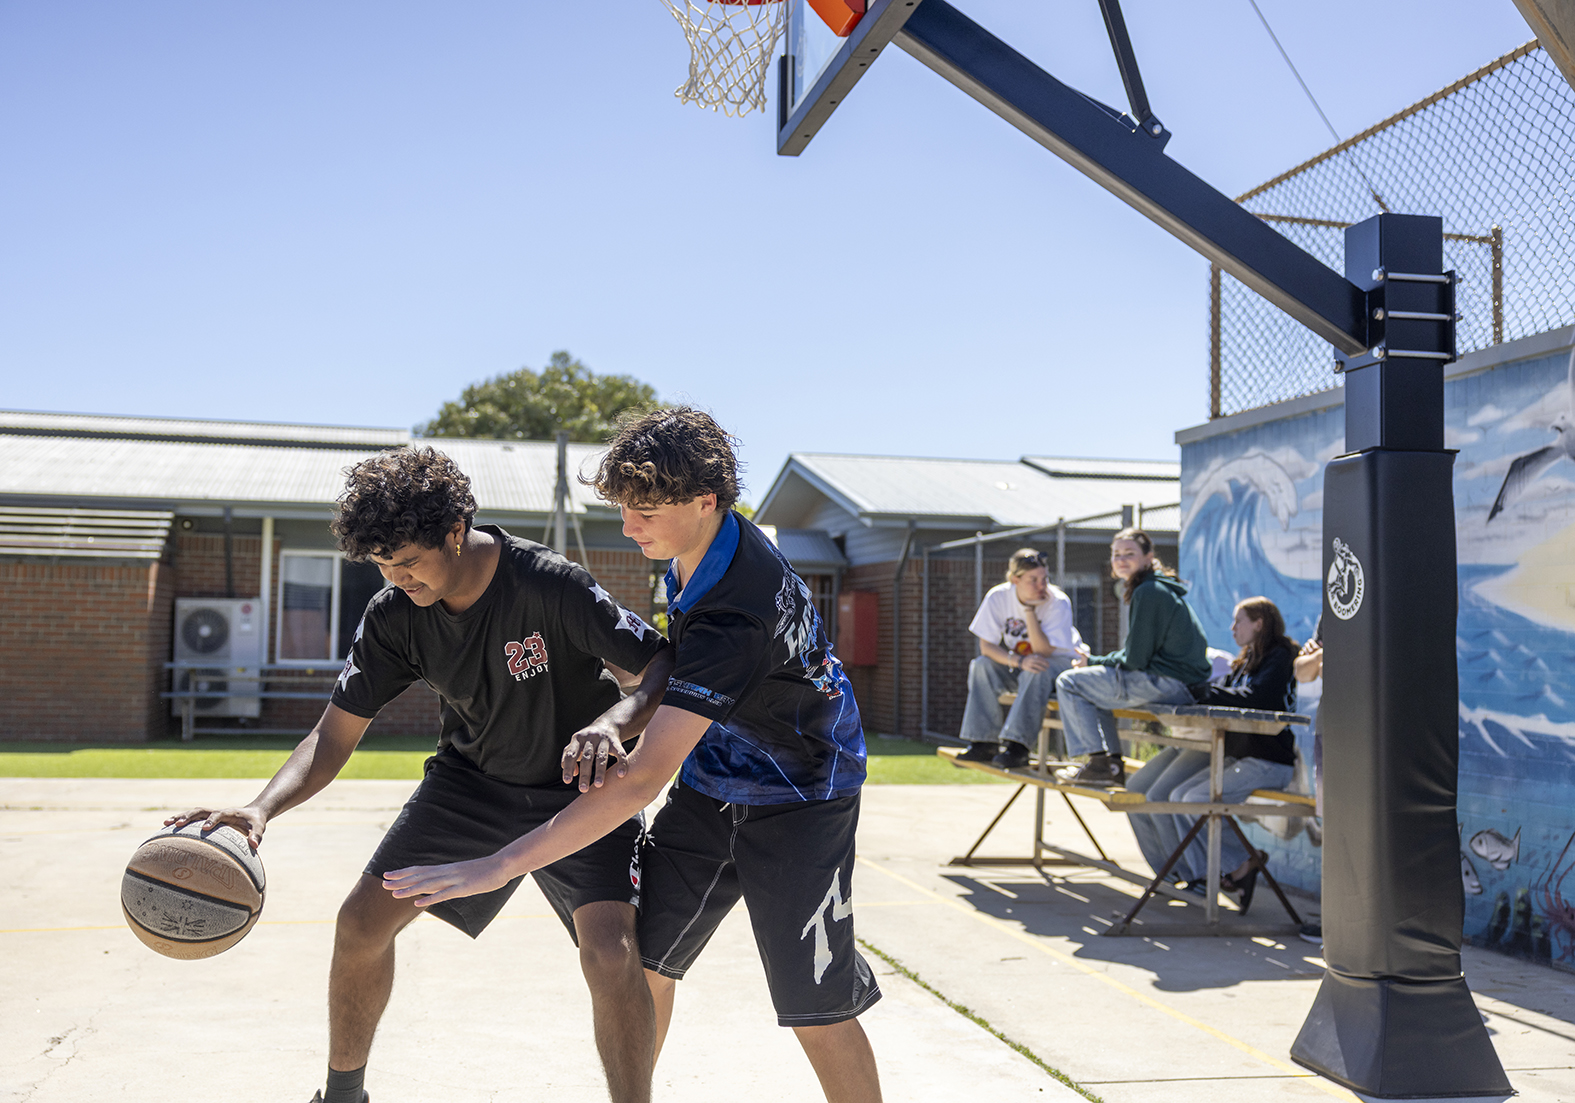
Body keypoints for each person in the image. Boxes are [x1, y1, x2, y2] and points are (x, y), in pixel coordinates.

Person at [382, 407, 883, 1103]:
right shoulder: (702, 550)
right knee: (645, 965)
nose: (627, 526)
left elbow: (643, 778)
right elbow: (668, 686)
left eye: (644, 509)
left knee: (815, 1004)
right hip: (715, 785)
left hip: (803, 795)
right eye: (623, 507)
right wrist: (616, 719)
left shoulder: (736, 611)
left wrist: (498, 863)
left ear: (704, 498)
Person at [166, 447, 673, 1103]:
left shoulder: (550, 584)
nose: (398, 576)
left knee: (611, 953)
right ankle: (342, 1095)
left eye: (408, 561)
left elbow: (661, 665)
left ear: (455, 531)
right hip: (470, 787)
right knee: (359, 923)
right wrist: (262, 807)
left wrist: (613, 723)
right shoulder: (395, 617)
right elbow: (332, 733)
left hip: (580, 789)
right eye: (383, 564)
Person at [1126, 596, 1299, 913]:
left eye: (1239, 621)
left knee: (1192, 799)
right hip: (1236, 756)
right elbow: (1226, 691)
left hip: (1268, 761)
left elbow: (1259, 697)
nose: (1232, 628)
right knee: (1178, 795)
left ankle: (1228, 867)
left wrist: (1206, 692)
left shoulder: (1281, 655)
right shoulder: (1245, 659)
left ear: (1259, 622)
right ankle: (1203, 872)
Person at [1052, 528, 1211, 787]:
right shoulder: (1154, 588)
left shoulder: (1148, 591)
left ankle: (1097, 763)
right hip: (1179, 683)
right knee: (1093, 689)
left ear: (1148, 557)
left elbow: (1136, 659)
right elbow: (1137, 656)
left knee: (1069, 683)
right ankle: (1110, 765)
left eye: (1130, 553)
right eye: (1116, 554)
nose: (1121, 559)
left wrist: (1092, 661)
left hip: (1170, 683)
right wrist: (1096, 664)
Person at [956, 548, 1088, 768]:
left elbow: (1043, 651)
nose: (1041, 586)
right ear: (1015, 579)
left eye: (1044, 579)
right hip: (1024, 663)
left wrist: (1028, 611)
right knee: (982, 666)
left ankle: (1018, 748)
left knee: (1037, 667)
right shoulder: (998, 596)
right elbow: (986, 647)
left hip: (1063, 664)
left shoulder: (1058, 601)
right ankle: (983, 743)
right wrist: (1017, 661)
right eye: (1033, 580)